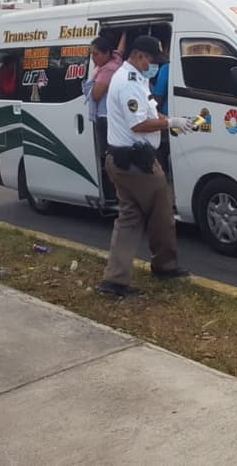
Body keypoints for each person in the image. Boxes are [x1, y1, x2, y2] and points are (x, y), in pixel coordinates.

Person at [97, 35, 197, 297]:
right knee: (161, 214)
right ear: (139, 55)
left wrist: (172, 120)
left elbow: (149, 113)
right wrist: (169, 123)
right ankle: (165, 265)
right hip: (137, 163)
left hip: (124, 160)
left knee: (129, 218)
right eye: (152, 60)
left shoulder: (135, 79)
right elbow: (138, 124)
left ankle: (115, 280)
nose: (154, 66)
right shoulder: (128, 83)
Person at [88, 32, 126, 203]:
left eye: (96, 54)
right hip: (112, 117)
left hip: (105, 117)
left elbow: (96, 95)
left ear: (106, 53)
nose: (93, 58)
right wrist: (124, 33)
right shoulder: (116, 60)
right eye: (91, 54)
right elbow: (120, 51)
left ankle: (111, 194)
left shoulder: (107, 70)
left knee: (106, 157)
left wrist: (90, 82)